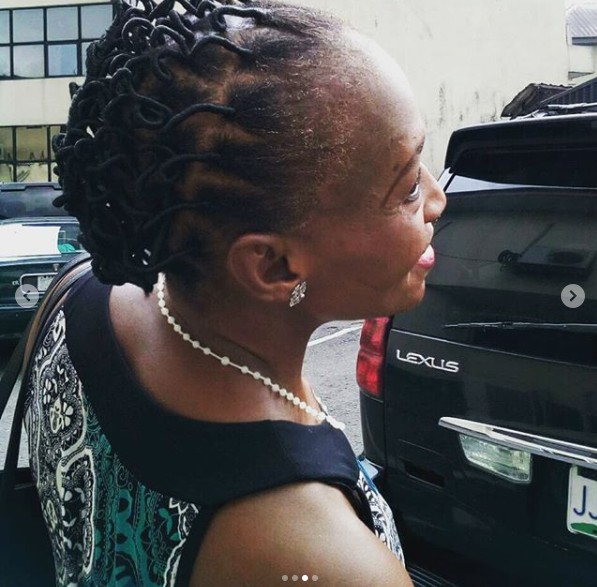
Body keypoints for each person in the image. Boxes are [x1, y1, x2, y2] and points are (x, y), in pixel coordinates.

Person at [24, 0, 446, 585]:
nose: (437, 199)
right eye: (406, 188)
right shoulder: (325, 563)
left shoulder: (71, 298)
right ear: (272, 266)